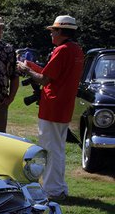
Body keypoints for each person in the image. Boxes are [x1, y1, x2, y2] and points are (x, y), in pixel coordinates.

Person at [17, 15, 84, 201]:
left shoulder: (61, 50)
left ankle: (52, 191)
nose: (51, 34)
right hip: (64, 105)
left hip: (53, 105)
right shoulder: (76, 50)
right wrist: (30, 65)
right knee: (58, 148)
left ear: (61, 31)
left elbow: (44, 79)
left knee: (49, 149)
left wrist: (25, 69)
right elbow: (51, 73)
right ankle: (59, 187)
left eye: (53, 31)